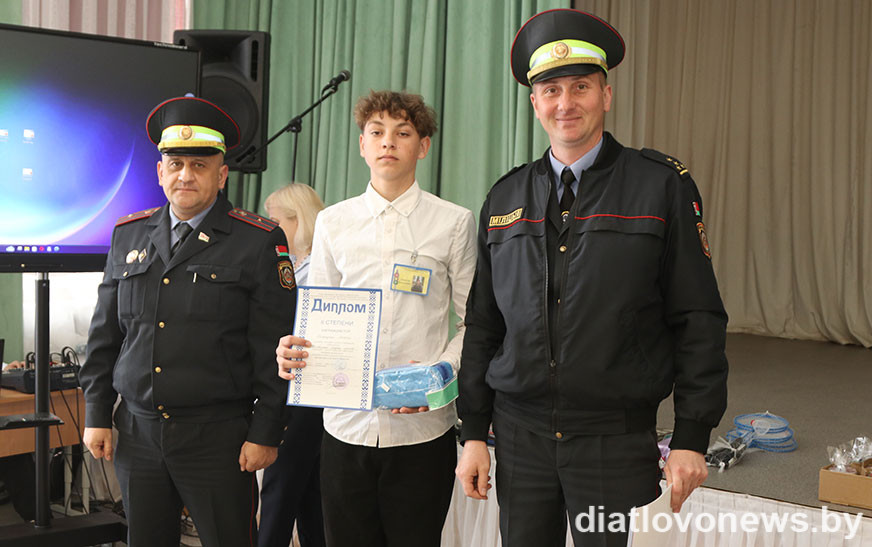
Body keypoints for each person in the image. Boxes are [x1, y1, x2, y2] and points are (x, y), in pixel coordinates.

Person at [455, 9, 729, 547]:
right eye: (551, 90)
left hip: (614, 441)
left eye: (580, 86)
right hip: (520, 437)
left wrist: (692, 435)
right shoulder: (505, 197)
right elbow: (484, 323)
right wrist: (472, 431)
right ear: (534, 103)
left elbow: (698, 317)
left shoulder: (660, 187)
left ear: (606, 95)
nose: (566, 103)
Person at [79, 96, 295, 547]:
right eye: (175, 164)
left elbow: (275, 349)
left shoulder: (257, 240)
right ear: (160, 172)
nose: (185, 176)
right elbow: (105, 337)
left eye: (199, 165)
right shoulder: (128, 235)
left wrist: (266, 433)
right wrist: (97, 413)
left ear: (222, 174)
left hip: (219, 439)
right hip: (139, 434)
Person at [275, 90, 477, 547]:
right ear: (362, 145)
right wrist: (294, 350)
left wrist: (442, 372)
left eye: (403, 133)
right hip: (345, 427)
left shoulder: (453, 222)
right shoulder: (333, 222)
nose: (389, 142)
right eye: (377, 132)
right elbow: (316, 317)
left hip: (423, 431)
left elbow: (474, 323)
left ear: (423, 146)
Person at [259, 183, 326, 547]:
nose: (270, 229)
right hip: (297, 388)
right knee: (308, 490)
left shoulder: (319, 269)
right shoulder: (293, 265)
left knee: (282, 485)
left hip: (306, 390)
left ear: (298, 220)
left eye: (275, 221)